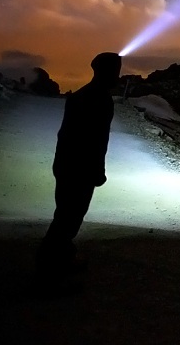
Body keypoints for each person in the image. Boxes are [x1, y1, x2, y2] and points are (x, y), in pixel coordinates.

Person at [37, 52, 121, 274]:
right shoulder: (100, 100)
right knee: (68, 218)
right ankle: (49, 271)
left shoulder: (82, 96)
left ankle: (57, 260)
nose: (118, 76)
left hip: (67, 165)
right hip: (80, 169)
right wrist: (97, 170)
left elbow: (65, 135)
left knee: (65, 215)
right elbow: (96, 140)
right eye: (115, 70)